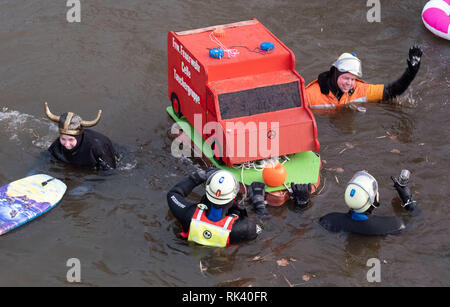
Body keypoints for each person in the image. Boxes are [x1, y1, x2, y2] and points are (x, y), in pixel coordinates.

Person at [167, 168, 264, 247]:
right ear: (233, 196)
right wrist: (258, 199)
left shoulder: (187, 214)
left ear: (208, 191)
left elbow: (173, 194)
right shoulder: (244, 228)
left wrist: (199, 176)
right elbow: (262, 222)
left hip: (187, 247)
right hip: (219, 256)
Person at [305, 46, 423, 110]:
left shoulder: (358, 89)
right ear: (335, 74)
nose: (349, 83)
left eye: (353, 79)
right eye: (346, 78)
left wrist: (411, 72)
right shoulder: (310, 94)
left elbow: (392, 91)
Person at [317, 170, 418, 236]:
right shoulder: (395, 224)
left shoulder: (328, 220)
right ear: (374, 201)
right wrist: (409, 203)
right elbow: (417, 223)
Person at [44, 102, 117, 170]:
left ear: (78, 137)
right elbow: (46, 157)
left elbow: (110, 172)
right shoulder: (57, 145)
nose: (66, 144)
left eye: (71, 140)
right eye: (63, 139)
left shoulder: (97, 147)